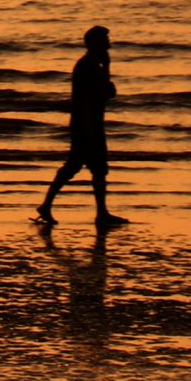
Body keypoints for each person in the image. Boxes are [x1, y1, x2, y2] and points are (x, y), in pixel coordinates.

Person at [34, 25, 127, 230]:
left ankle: (100, 212)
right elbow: (95, 95)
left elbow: (107, 93)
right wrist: (87, 128)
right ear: (94, 43)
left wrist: (107, 69)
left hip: (92, 122)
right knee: (76, 166)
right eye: (105, 41)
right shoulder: (86, 66)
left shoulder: (95, 65)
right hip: (86, 124)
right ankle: (47, 205)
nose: (109, 44)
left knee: (97, 169)